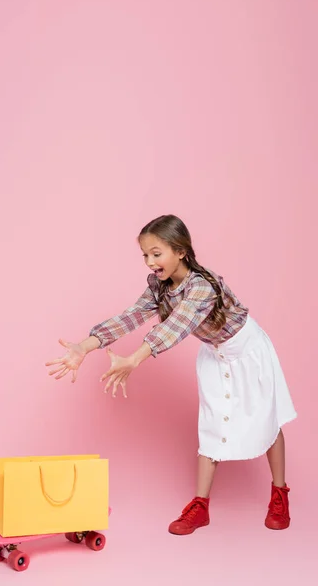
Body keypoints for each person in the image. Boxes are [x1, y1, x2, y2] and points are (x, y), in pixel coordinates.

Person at [45, 214, 297, 534]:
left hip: (248, 351)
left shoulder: (203, 286)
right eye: (145, 255)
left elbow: (178, 326)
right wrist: (84, 345)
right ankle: (200, 506)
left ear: (180, 251)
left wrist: (135, 359)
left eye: (156, 253)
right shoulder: (159, 286)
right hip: (216, 356)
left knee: (266, 419)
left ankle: (280, 494)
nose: (150, 262)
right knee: (211, 423)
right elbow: (131, 317)